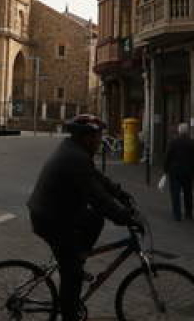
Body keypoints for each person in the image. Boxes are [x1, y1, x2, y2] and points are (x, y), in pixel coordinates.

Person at [28, 114, 137, 321]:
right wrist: (123, 217)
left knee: (94, 219)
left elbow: (97, 179)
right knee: (72, 275)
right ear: (86, 137)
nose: (99, 141)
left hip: (58, 212)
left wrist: (120, 194)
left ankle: (78, 256)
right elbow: (97, 197)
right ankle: (69, 312)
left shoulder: (75, 152)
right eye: (97, 137)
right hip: (50, 219)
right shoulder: (75, 158)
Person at [164, 123, 194, 221]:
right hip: (188, 172)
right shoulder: (192, 143)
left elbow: (168, 156)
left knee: (175, 193)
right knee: (188, 192)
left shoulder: (173, 142)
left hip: (175, 171)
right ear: (187, 131)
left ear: (179, 131)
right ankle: (189, 213)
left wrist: (165, 169)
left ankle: (177, 214)